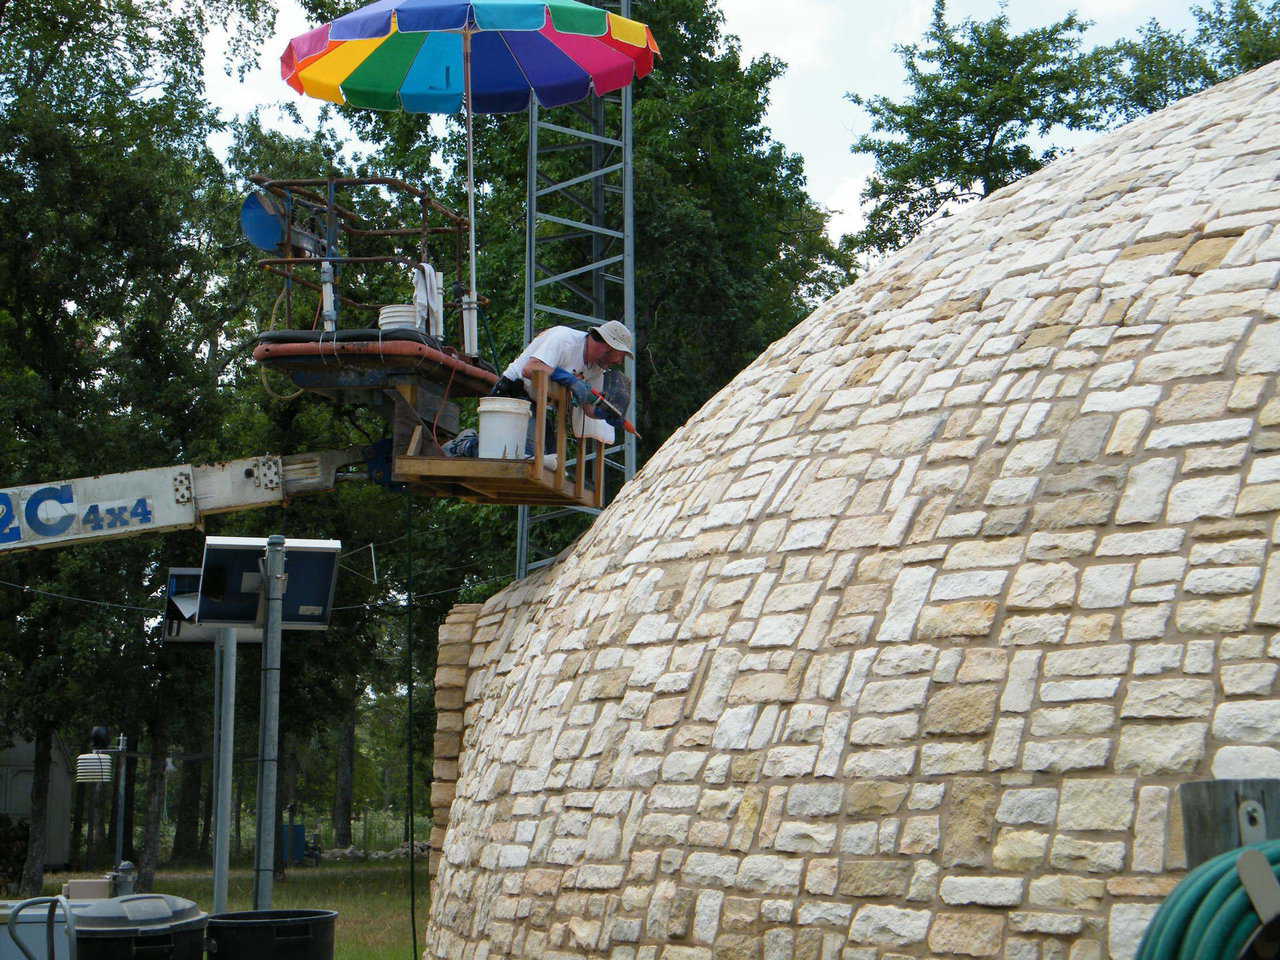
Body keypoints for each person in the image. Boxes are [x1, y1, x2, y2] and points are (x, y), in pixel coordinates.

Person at [444, 320, 633, 457]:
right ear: (608, 347)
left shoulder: (596, 369)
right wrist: (567, 379)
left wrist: (606, 414)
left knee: (549, 461)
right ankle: (467, 444)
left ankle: (478, 443)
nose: (619, 362)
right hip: (513, 393)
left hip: (538, 405)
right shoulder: (564, 339)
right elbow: (530, 368)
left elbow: (588, 407)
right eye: (620, 355)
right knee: (522, 457)